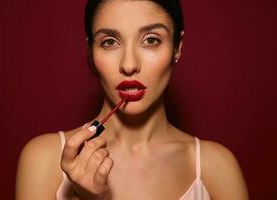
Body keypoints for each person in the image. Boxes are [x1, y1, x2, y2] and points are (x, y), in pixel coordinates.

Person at [15, 0, 249, 199]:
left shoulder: (217, 168)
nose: (129, 65)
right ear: (90, 51)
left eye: (151, 40)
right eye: (109, 42)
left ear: (177, 47)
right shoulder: (45, 161)